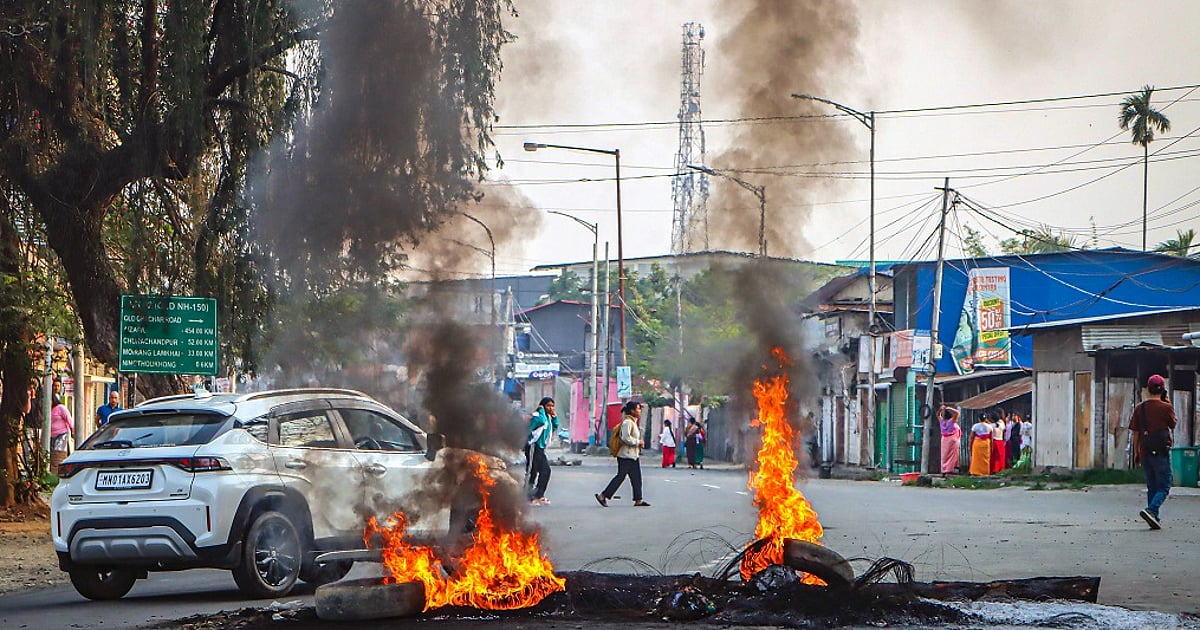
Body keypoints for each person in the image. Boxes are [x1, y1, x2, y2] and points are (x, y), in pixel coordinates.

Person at [1129, 374, 1177, 530]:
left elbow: (1135, 433)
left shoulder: (1140, 408)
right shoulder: (1166, 407)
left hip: (1145, 451)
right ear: (1163, 389)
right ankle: (1151, 510)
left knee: (1152, 486)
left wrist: (1136, 453)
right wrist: (1167, 402)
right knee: (1164, 485)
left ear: (1147, 389)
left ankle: (1153, 517)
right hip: (1162, 451)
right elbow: (1173, 424)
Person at [595, 401, 650, 507]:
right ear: (632, 411)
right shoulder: (628, 423)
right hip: (626, 455)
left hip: (633, 455)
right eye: (638, 409)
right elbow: (625, 438)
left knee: (636, 477)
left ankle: (638, 499)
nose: (640, 411)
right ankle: (603, 495)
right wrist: (638, 442)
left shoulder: (632, 422)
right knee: (620, 476)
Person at [525, 397, 558, 506]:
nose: (551, 408)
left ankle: (539, 495)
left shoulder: (548, 417)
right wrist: (541, 410)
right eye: (548, 406)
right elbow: (540, 421)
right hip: (533, 447)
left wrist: (554, 417)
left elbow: (554, 427)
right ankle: (528, 497)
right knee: (532, 472)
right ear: (542, 406)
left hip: (540, 448)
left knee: (545, 471)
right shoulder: (537, 416)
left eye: (552, 406)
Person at [49, 390, 74, 476]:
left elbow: (69, 420)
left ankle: (58, 474)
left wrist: (73, 431)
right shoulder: (47, 410)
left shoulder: (60, 408)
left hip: (62, 434)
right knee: (51, 456)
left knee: (58, 455)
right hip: (51, 436)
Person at [938, 405, 962, 475]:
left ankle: (944, 469)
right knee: (952, 455)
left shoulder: (941, 421)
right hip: (952, 440)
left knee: (944, 455)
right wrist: (950, 408)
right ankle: (950, 469)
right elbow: (957, 413)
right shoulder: (952, 421)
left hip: (944, 440)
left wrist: (940, 410)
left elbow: (938, 415)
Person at [990, 409, 1007, 474]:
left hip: (995, 441)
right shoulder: (1002, 423)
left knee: (994, 457)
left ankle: (994, 469)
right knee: (1001, 456)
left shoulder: (991, 426)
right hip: (1001, 441)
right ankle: (1001, 468)